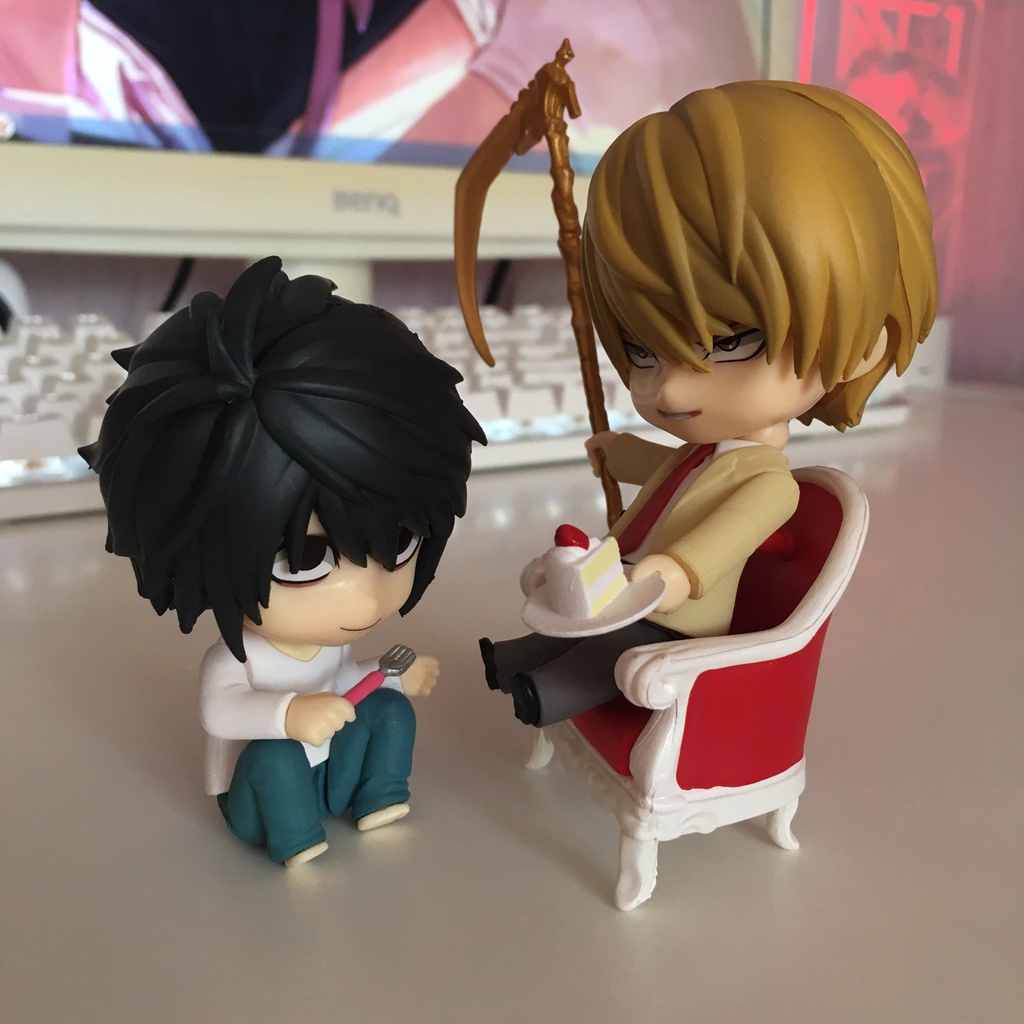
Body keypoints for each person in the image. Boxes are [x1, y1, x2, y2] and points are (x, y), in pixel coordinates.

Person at [481, 80, 937, 726]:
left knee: (609, 653)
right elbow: (672, 476)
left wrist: (673, 573)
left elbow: (724, 536)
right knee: (567, 629)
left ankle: (545, 694)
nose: (668, 387)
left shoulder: (770, 483)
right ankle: (512, 663)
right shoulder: (705, 453)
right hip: (626, 580)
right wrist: (620, 454)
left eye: (730, 342)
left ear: (864, 345)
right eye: (642, 349)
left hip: (677, 617)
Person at [81, 256, 485, 864]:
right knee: (273, 756)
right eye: (304, 562)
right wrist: (290, 714)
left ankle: (379, 793)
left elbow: (343, 684)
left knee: (388, 710)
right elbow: (221, 711)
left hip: (330, 771)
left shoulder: (328, 646)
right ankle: (295, 840)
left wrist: (390, 676)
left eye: (398, 544)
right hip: (262, 797)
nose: (367, 596)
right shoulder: (238, 659)